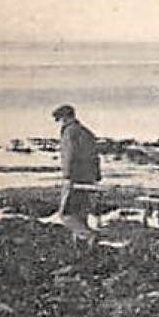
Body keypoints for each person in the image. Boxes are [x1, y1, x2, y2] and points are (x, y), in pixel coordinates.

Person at [53, 103, 101, 244]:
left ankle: (88, 236)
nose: (60, 123)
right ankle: (81, 246)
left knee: (66, 214)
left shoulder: (69, 132)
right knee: (81, 214)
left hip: (75, 179)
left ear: (66, 118)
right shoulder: (87, 132)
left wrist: (67, 175)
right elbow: (95, 157)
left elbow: (69, 154)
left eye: (60, 119)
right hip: (89, 180)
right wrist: (96, 176)